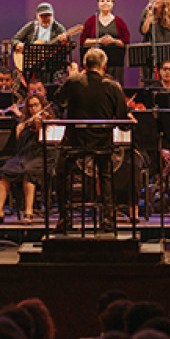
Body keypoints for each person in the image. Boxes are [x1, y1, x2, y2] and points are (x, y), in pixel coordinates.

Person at [54, 48, 130, 232]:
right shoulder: (112, 86)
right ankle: (108, 220)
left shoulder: (73, 82)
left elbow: (58, 100)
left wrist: (73, 78)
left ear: (85, 65)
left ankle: (64, 218)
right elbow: (123, 122)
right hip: (102, 143)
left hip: (74, 142)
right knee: (105, 175)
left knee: (61, 172)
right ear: (104, 66)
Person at [0, 94, 53, 225]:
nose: (33, 109)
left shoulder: (48, 121)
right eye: (30, 106)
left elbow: (47, 142)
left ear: (42, 106)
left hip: (40, 157)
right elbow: (19, 147)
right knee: (4, 172)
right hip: (23, 157)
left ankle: (28, 212)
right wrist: (19, 131)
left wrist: (40, 125)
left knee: (28, 173)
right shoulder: (24, 124)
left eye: (36, 105)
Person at [80, 0, 129, 84]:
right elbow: (83, 41)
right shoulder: (91, 20)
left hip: (115, 62)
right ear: (98, 4)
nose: (105, 3)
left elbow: (125, 42)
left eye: (108, 0)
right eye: (102, 1)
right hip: (96, 64)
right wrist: (99, 41)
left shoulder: (119, 21)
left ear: (112, 4)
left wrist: (113, 41)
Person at [139, 0, 170, 83]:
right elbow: (143, 31)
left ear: (164, 0)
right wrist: (149, 17)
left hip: (165, 51)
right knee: (150, 80)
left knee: (165, 80)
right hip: (150, 51)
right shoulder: (146, 13)